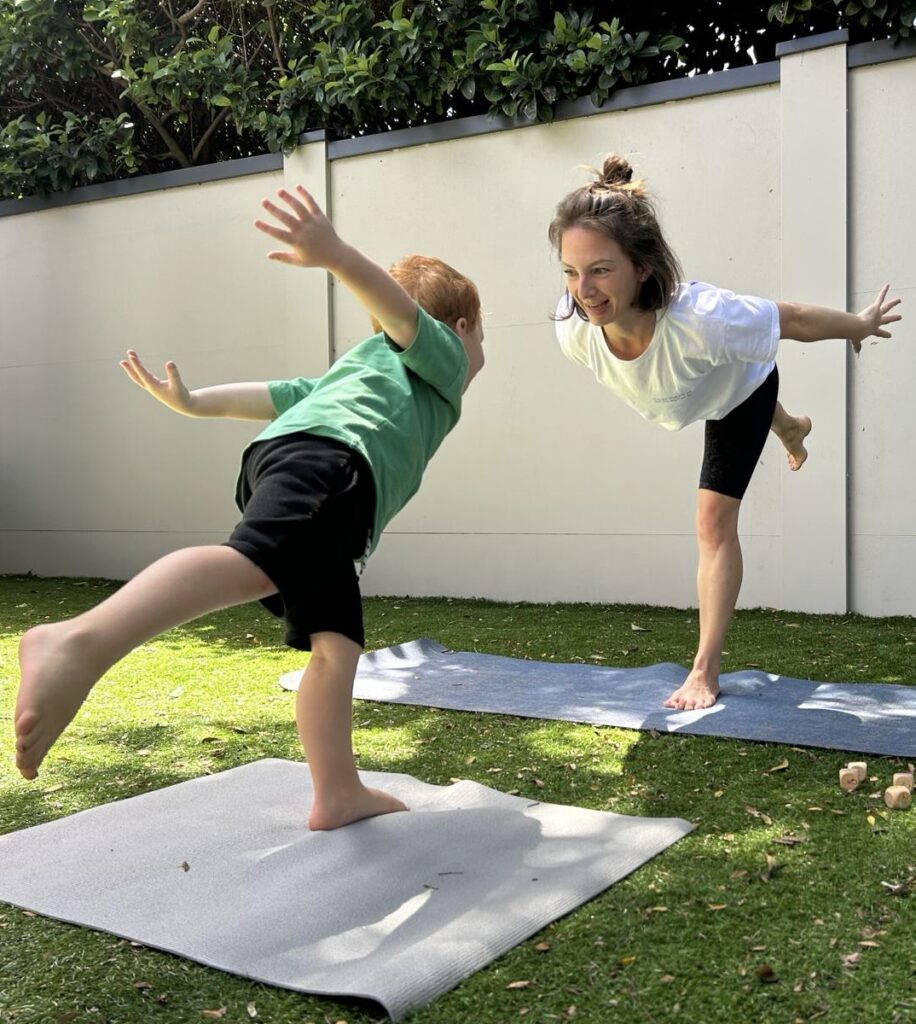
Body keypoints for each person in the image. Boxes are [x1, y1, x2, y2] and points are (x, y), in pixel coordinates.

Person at [14, 185, 485, 830]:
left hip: (307, 465)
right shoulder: (439, 356)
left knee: (337, 644)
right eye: (475, 334)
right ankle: (77, 642)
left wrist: (193, 402)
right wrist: (338, 256)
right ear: (457, 328)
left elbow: (273, 395)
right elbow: (402, 315)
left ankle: (337, 792)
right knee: (254, 563)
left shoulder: (353, 375)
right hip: (331, 464)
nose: (474, 350)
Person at [549, 155, 901, 712]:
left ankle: (704, 670)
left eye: (599, 269)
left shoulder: (702, 317)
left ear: (642, 267)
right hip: (694, 387)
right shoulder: (573, 329)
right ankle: (790, 426)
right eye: (570, 271)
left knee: (713, 520)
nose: (583, 289)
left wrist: (858, 325)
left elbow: (796, 319)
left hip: (741, 388)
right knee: (714, 384)